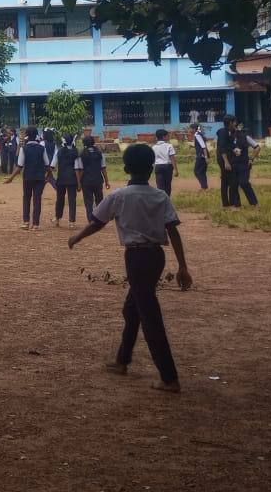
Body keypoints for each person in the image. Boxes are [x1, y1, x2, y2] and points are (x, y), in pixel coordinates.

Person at [68, 143, 193, 393]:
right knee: (133, 309)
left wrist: (77, 237)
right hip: (156, 257)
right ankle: (122, 360)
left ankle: (169, 377)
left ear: (126, 169)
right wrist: (182, 266)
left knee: (149, 316)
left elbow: (97, 223)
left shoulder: (119, 196)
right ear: (151, 169)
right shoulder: (160, 196)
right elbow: (173, 231)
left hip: (136, 258)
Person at [5, 126, 51, 231]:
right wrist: (47, 176)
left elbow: (19, 167)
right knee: (37, 199)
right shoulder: (41, 148)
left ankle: (26, 222)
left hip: (28, 177)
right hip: (39, 177)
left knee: (26, 198)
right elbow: (47, 165)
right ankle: (35, 224)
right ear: (36, 135)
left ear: (27, 135)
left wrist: (11, 178)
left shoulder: (24, 148)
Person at [224, 123, 261, 208]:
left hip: (243, 164)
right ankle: (237, 205)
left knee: (244, 183)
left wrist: (251, 158)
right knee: (233, 185)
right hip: (232, 164)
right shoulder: (228, 139)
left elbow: (257, 147)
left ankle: (255, 203)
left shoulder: (245, 137)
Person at [75, 135, 110, 220]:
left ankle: (90, 219)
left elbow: (81, 170)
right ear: (93, 142)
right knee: (99, 200)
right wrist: (106, 181)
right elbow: (103, 168)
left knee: (88, 201)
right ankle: (99, 218)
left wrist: (79, 183)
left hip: (86, 181)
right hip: (98, 180)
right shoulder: (100, 153)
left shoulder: (81, 154)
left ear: (84, 143)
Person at [53, 132, 80, 226]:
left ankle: (57, 219)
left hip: (61, 178)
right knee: (72, 200)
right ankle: (72, 221)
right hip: (72, 179)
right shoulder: (75, 152)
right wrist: (79, 183)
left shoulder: (59, 152)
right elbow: (77, 168)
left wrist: (47, 175)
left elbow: (52, 165)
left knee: (60, 199)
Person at [216, 115, 238, 208]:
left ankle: (226, 204)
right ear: (230, 123)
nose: (235, 123)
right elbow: (222, 148)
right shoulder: (223, 132)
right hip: (225, 159)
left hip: (229, 158)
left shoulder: (230, 132)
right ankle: (230, 203)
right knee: (231, 181)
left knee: (225, 180)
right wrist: (226, 162)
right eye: (234, 122)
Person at [152, 129, 178, 197]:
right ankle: (167, 199)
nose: (168, 137)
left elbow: (153, 159)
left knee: (160, 185)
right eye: (167, 136)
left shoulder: (154, 147)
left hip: (158, 166)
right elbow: (172, 158)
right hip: (168, 167)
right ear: (163, 137)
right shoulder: (169, 146)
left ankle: (161, 199)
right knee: (167, 184)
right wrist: (176, 170)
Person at [190, 123, 209, 191]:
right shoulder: (198, 134)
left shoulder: (197, 135)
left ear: (194, 129)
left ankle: (204, 187)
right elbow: (200, 145)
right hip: (202, 155)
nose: (190, 130)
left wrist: (206, 157)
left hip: (202, 156)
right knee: (202, 172)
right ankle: (204, 187)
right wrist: (193, 146)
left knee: (197, 171)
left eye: (191, 129)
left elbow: (204, 147)